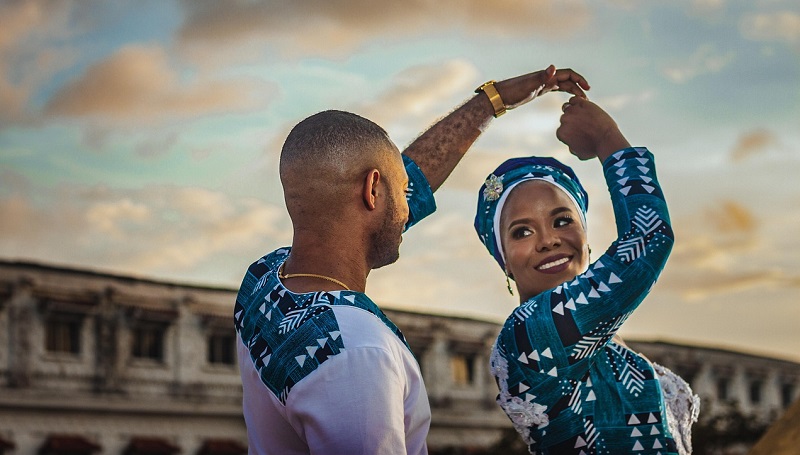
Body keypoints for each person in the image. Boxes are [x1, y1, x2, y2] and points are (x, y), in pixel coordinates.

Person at [234, 65, 592, 454]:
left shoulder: (264, 280)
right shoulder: (358, 351)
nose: (410, 204)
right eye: (402, 191)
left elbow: (407, 183)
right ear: (373, 190)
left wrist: (492, 102)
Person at [474, 96, 700, 454]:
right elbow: (648, 237)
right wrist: (606, 137)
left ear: (585, 237)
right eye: (522, 231)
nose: (549, 240)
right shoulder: (531, 335)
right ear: (504, 261)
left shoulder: (602, 338)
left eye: (563, 221)